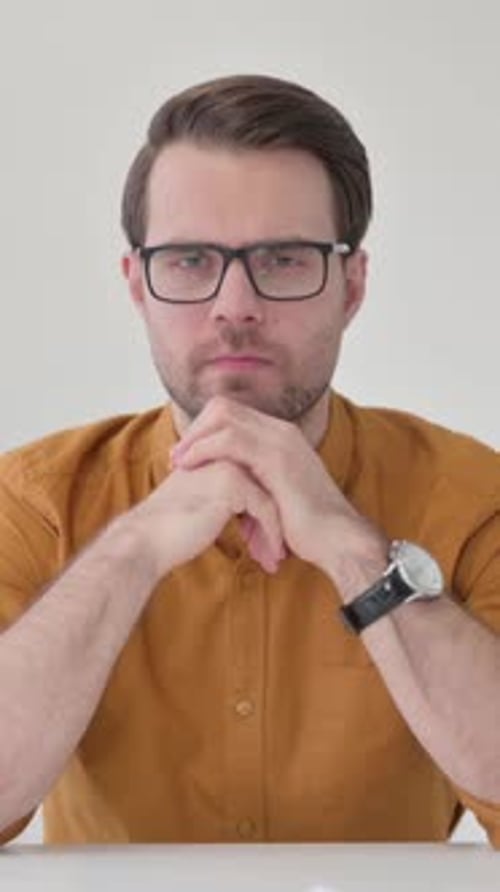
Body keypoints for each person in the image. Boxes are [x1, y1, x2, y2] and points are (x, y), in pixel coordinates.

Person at [0, 74, 499, 848]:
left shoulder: (473, 498)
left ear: (352, 286)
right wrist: (134, 547)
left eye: (286, 258)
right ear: (138, 286)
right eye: (192, 260)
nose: (235, 304)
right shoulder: (30, 503)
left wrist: (349, 545)